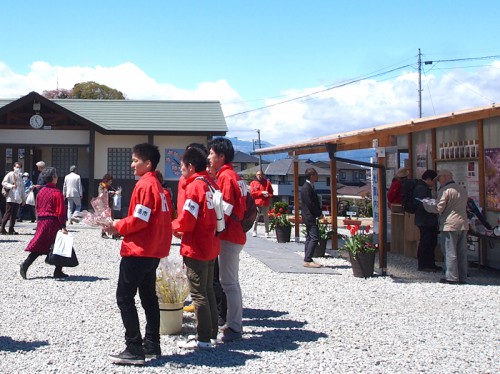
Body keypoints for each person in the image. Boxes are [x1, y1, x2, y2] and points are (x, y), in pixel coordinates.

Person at [105, 143, 172, 366]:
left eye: (135, 161)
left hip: (138, 250)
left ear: (148, 163)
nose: (132, 165)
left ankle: (134, 347)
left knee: (124, 297)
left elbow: (139, 219)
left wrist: (116, 225)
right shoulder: (159, 188)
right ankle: (152, 344)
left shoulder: (145, 185)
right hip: (152, 251)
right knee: (148, 298)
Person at [173, 147, 220, 349]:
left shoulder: (194, 187)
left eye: (182, 167)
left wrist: (172, 226)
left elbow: (187, 220)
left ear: (191, 166)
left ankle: (202, 338)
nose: (181, 171)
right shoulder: (211, 183)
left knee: (198, 293)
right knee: (208, 291)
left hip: (196, 246)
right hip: (211, 244)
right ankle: (212, 333)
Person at [208, 137, 246, 343]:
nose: (209, 157)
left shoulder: (226, 177)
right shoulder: (235, 176)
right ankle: (233, 323)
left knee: (228, 283)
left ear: (221, 156)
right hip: (236, 233)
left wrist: (212, 227)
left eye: (212, 154)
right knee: (231, 282)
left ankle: (234, 326)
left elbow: (226, 209)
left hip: (229, 235)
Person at [19, 167, 68, 279]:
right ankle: (57, 270)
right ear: (54, 178)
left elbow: (38, 206)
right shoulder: (57, 192)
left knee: (41, 245)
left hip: (41, 220)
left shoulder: (41, 191)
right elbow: (60, 211)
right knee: (58, 244)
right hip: (52, 221)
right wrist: (63, 226)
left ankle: (26, 265)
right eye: (56, 176)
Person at [423, 169, 469, 284]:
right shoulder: (462, 189)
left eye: (439, 179)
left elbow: (439, 208)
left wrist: (426, 204)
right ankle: (463, 277)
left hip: (449, 224)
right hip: (463, 224)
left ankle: (452, 277)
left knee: (450, 251)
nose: (438, 181)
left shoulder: (445, 190)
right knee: (462, 252)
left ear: (444, 177)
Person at [413, 169, 441, 272]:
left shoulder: (420, 187)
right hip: (426, 220)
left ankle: (429, 264)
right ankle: (425, 265)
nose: (434, 184)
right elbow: (425, 205)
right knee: (427, 242)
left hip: (423, 220)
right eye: (434, 181)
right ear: (429, 179)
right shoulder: (422, 188)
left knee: (428, 242)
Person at [300, 168, 323, 268]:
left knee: (309, 238)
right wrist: (318, 214)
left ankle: (307, 258)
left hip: (308, 215)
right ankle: (308, 259)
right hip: (309, 215)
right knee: (314, 237)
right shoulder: (306, 187)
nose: (317, 176)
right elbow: (310, 203)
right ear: (311, 176)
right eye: (316, 175)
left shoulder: (309, 186)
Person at [1, 162, 26, 235]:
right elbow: (4, 183)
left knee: (14, 214)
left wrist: (24, 199)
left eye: (19, 167)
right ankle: (2, 228)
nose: (18, 169)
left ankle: (11, 228)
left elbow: (22, 189)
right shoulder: (10, 174)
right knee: (8, 213)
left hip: (17, 198)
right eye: (17, 167)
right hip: (11, 197)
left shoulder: (20, 177)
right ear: (13, 167)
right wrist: (11, 186)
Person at [250, 170, 274, 238]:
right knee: (256, 217)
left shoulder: (267, 183)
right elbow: (252, 193)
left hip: (265, 203)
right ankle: (254, 231)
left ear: (263, 175)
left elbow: (271, 193)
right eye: (258, 174)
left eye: (260, 174)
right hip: (257, 203)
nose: (259, 176)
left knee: (266, 217)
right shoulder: (253, 183)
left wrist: (268, 195)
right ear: (256, 175)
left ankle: (267, 232)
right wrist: (261, 193)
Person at [98, 174, 117, 238]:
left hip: (108, 203)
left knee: (111, 218)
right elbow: (101, 194)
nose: (111, 182)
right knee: (104, 219)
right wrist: (111, 192)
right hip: (103, 204)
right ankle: (103, 233)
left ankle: (113, 233)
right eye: (110, 181)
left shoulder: (108, 186)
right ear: (107, 180)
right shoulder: (102, 185)